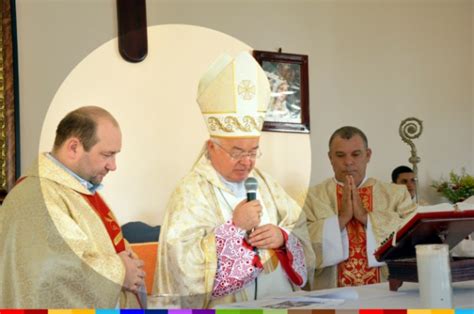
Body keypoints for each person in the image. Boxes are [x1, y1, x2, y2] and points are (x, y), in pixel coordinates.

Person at [154, 52, 315, 308]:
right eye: (237, 152)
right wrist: (233, 228)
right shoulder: (191, 192)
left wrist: (282, 237)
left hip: (279, 303)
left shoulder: (265, 183)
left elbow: (299, 227)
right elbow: (181, 266)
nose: (247, 161)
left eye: (253, 151)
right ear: (212, 147)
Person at [0, 106, 146, 308]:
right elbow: (54, 272)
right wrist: (120, 271)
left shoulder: (74, 190)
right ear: (74, 148)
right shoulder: (36, 196)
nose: (113, 165)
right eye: (107, 154)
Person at [303, 126, 415, 289]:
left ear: (368, 155)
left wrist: (366, 218)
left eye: (356, 154)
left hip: (386, 289)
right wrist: (341, 220)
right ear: (330, 157)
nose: (348, 162)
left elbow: (412, 237)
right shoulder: (312, 197)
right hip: (332, 293)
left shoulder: (396, 194)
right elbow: (301, 245)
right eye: (340, 155)